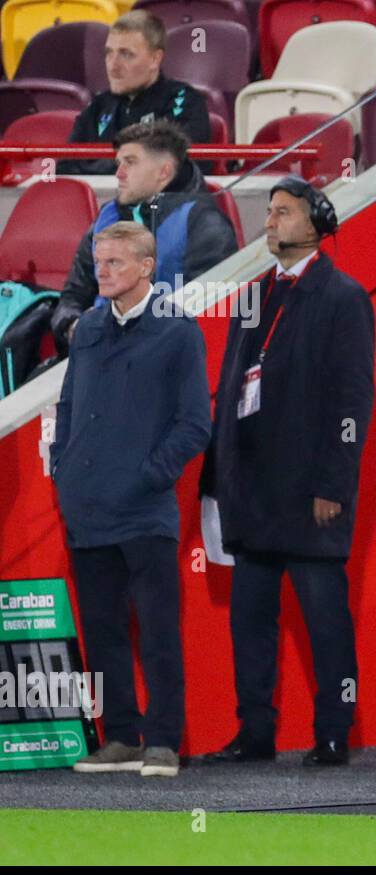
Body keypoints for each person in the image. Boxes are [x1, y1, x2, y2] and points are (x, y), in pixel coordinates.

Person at [200, 177, 375, 768]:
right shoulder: (255, 294)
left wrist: (333, 485)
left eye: (284, 212)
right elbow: (228, 387)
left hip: (307, 493)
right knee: (250, 622)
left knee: (326, 620)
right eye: (268, 212)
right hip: (251, 490)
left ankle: (333, 732)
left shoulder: (343, 296)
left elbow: (352, 402)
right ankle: (255, 733)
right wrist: (218, 478)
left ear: (317, 223)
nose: (270, 221)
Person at [50, 221, 211, 778]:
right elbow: (69, 405)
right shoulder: (89, 327)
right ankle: (121, 737)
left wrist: (149, 476)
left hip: (144, 512)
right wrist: (62, 469)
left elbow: (195, 425)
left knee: (159, 629)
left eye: (115, 263)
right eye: (99, 263)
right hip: (86, 508)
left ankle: (163, 740)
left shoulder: (179, 332)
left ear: (146, 267)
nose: (103, 272)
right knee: (103, 629)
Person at [52, 121, 238, 344]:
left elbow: (210, 314)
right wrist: (73, 326)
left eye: (130, 163)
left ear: (164, 171)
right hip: (97, 353)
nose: (119, 174)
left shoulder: (205, 224)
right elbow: (73, 295)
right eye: (119, 163)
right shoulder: (107, 216)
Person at [57, 11, 211, 176]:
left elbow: (170, 167)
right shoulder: (99, 105)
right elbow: (65, 167)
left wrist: (96, 167)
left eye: (126, 54)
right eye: (109, 53)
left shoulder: (184, 101)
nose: (113, 66)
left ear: (155, 59)